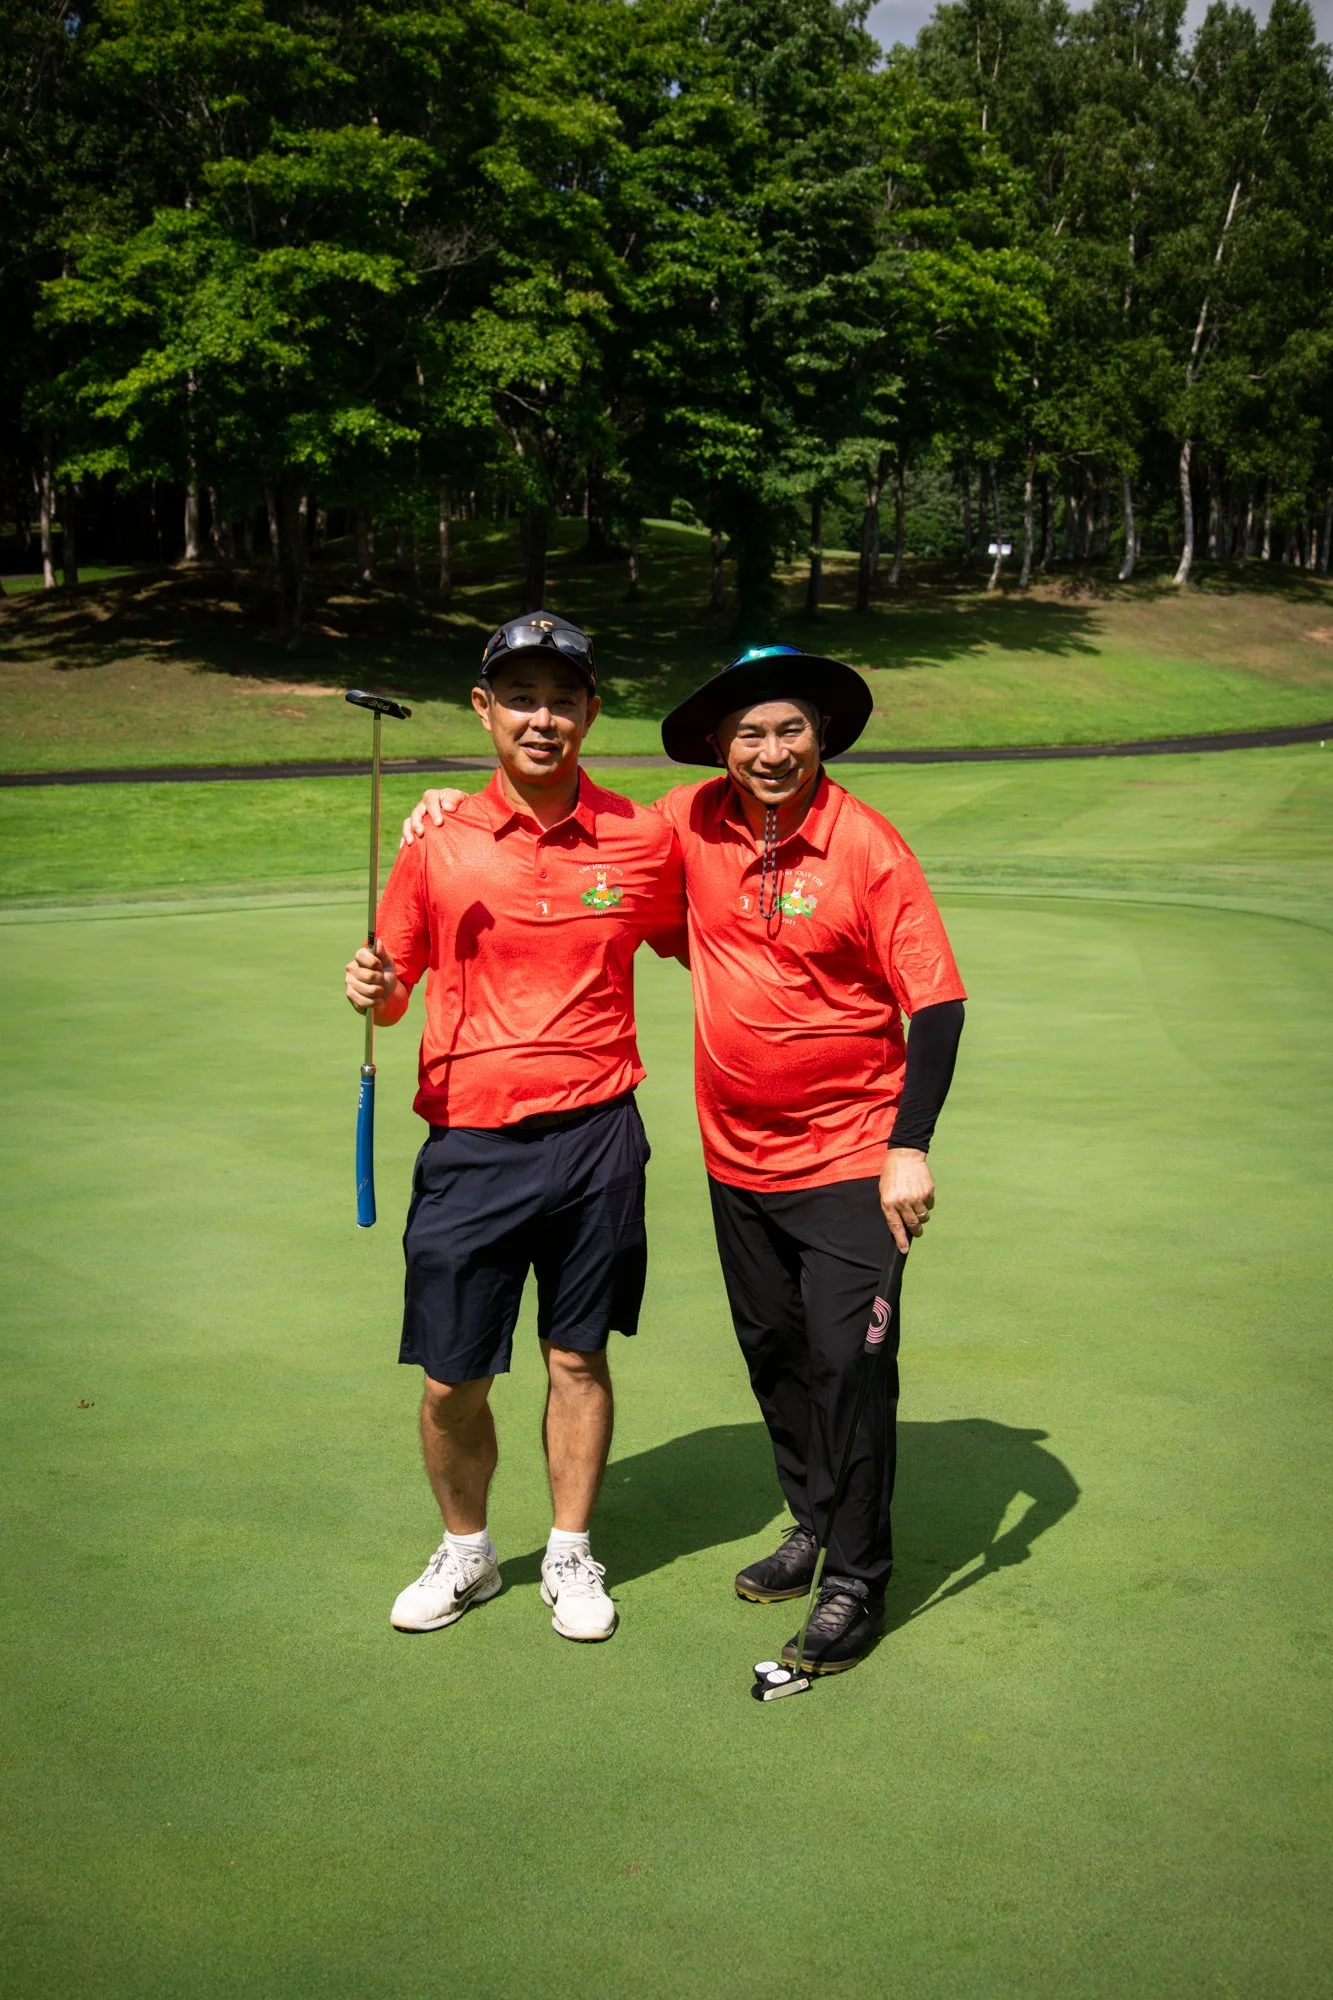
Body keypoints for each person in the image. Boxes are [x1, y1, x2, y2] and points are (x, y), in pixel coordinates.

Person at [403, 643, 965, 1675]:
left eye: (790, 729)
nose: (771, 751)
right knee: (775, 1352)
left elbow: (936, 1001)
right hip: (738, 1155)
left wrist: (908, 1146)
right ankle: (812, 1520)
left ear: (822, 736)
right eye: (749, 733)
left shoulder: (868, 846)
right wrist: (447, 805)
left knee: (848, 1364)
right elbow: (567, 815)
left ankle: (854, 1578)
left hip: (851, 1149)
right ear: (717, 746)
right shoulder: (682, 823)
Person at [346, 611, 685, 1645]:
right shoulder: (436, 836)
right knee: (452, 1377)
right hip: (471, 1140)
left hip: (598, 1135)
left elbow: (707, 934)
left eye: (562, 699)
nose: (543, 718)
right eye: (521, 699)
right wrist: (374, 988)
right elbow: (393, 994)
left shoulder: (642, 836)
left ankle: (570, 1549)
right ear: (483, 709)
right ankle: (469, 1550)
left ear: (591, 710)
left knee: (577, 1357)